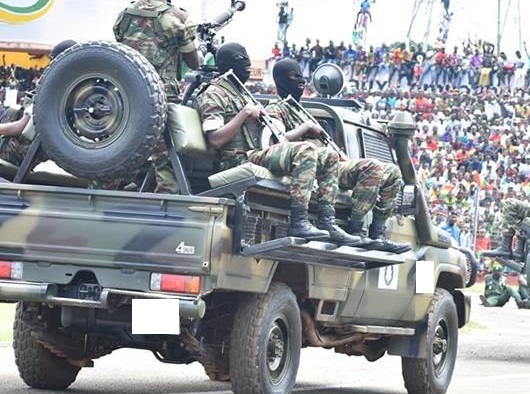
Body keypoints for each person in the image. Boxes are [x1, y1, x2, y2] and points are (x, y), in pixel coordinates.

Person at [196, 43, 361, 246]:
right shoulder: (214, 93)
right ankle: (299, 220)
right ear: (226, 64)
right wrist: (245, 114)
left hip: (257, 151)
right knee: (307, 150)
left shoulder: (239, 91)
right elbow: (215, 139)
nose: (247, 66)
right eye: (242, 61)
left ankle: (326, 220)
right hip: (237, 157)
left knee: (327, 155)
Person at [266, 58, 411, 253]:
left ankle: (376, 233)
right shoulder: (277, 109)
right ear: (280, 79)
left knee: (392, 171)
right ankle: (356, 229)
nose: (301, 81)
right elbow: (276, 139)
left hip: (331, 165)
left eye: (302, 76)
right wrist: (306, 128)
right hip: (310, 168)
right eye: (295, 76)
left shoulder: (302, 111)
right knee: (426, 281)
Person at [113, 0, 200, 193]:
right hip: (162, 93)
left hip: (128, 92)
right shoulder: (177, 18)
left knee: (122, 142)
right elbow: (194, 62)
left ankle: (108, 187)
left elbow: (121, 45)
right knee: (164, 150)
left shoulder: (125, 14)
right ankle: (166, 193)